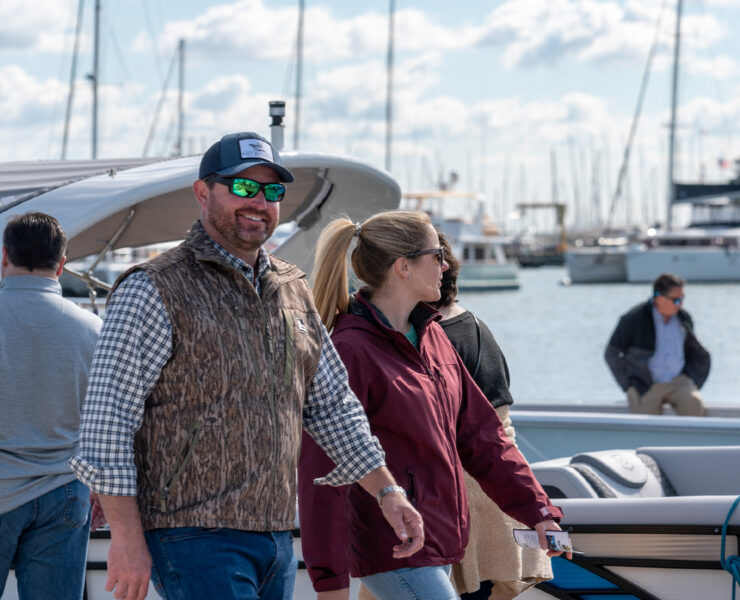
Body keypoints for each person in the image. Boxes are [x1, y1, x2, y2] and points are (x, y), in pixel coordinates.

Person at [70, 131, 423, 600]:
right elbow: (108, 422)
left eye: (272, 191)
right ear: (203, 192)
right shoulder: (153, 288)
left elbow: (332, 404)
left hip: (275, 535)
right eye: (242, 187)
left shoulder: (292, 289)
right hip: (191, 533)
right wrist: (127, 540)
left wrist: (387, 492)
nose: (258, 201)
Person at [298, 210, 568, 600]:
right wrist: (331, 584)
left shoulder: (433, 338)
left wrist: (539, 512)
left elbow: (484, 438)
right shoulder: (350, 349)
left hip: (440, 540)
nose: (445, 265)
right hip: (390, 547)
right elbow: (322, 473)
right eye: (436, 255)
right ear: (403, 267)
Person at [430, 233, 552, 600]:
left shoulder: (423, 335)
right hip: (496, 503)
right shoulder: (478, 328)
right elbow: (499, 422)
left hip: (456, 504)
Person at [0, 212, 102, 600]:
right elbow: (107, 422)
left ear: (4, 256)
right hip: (64, 490)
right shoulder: (93, 329)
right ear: (61, 265)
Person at [605, 272, 710, 416]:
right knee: (645, 430)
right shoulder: (633, 319)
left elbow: (693, 352)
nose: (680, 304)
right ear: (659, 299)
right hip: (645, 385)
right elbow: (611, 353)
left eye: (682, 299)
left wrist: (692, 377)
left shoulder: (684, 318)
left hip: (679, 382)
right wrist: (628, 386)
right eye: (676, 300)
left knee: (695, 408)